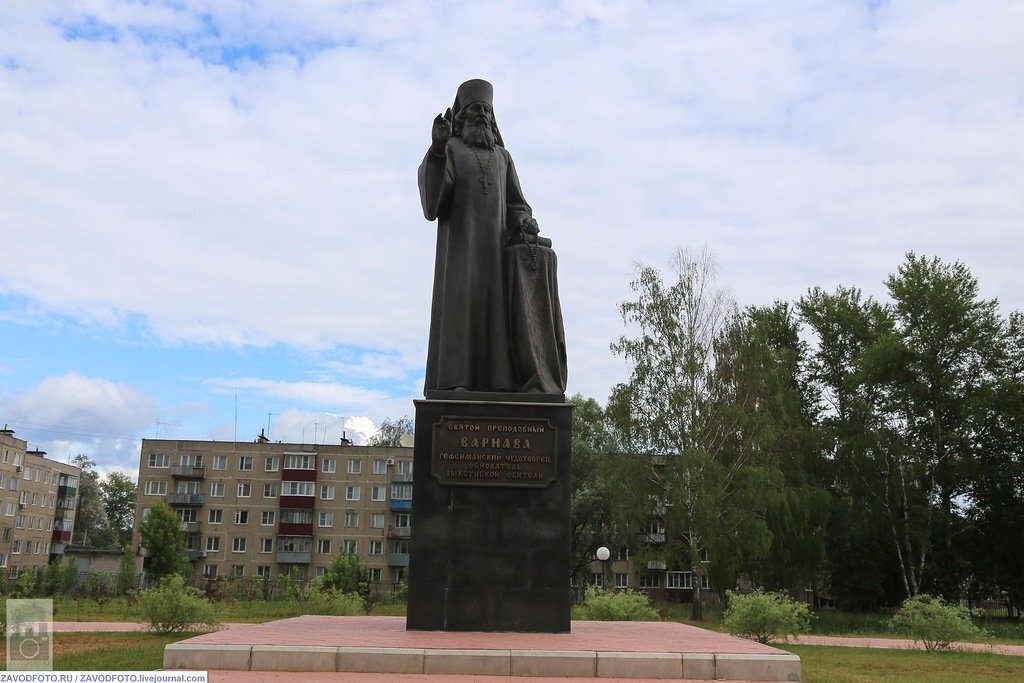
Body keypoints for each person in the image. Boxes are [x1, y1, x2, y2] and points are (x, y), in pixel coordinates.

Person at [419, 79, 566, 395]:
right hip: (461, 253)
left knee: (498, 317)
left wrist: (524, 221)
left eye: (487, 110)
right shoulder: (451, 150)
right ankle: (457, 382)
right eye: (476, 109)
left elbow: (517, 204)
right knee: (462, 313)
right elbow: (433, 205)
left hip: (497, 254)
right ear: (462, 116)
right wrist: (437, 149)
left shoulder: (503, 157)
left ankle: (500, 383)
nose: (482, 115)